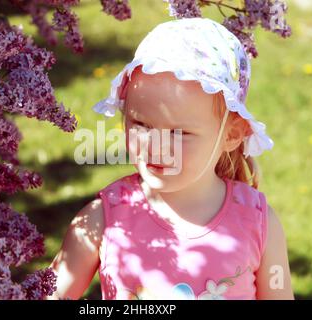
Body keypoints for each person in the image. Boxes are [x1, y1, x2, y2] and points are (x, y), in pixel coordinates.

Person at [46, 17, 294, 300]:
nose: (157, 146)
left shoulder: (258, 223)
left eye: (179, 133)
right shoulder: (103, 219)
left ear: (232, 134)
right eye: (142, 125)